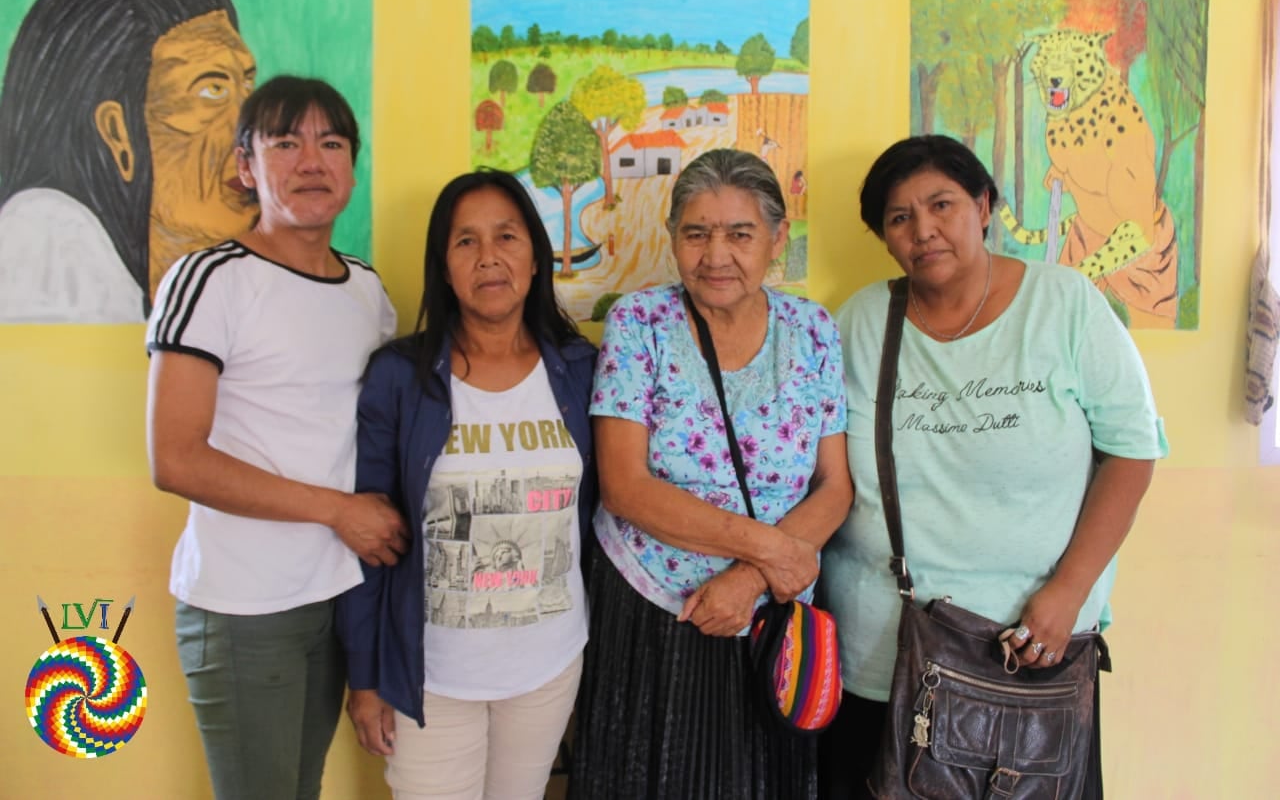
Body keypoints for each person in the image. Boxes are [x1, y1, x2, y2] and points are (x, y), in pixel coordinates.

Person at [818, 134, 1168, 797]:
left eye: (942, 204)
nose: (924, 229)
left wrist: (1069, 590)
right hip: (880, 664)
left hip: (1027, 657)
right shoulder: (861, 323)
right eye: (899, 217)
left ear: (985, 205)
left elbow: (1133, 449)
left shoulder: (1065, 307)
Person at [145, 76, 403, 800]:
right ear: (245, 164)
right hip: (241, 607)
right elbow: (175, 457)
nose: (311, 160)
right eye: (285, 142)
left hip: (334, 599)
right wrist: (337, 510)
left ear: (353, 164)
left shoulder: (366, 291)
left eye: (331, 142)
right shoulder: (210, 278)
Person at [569, 148, 853, 799]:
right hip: (654, 604)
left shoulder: (812, 331)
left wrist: (751, 579)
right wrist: (767, 550)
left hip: (770, 612)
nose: (715, 254)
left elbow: (834, 484)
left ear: (777, 238)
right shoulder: (638, 324)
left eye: (739, 233)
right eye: (696, 233)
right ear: (673, 239)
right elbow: (624, 485)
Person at [337, 169, 597, 800]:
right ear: (444, 267)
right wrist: (364, 675)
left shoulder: (581, 369)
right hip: (431, 676)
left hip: (548, 664)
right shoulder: (399, 378)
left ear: (535, 257)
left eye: (507, 237)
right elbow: (367, 535)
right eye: (465, 242)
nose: (489, 258)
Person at [0, 0, 256, 323]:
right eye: (211, 91)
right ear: (117, 134)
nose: (249, 134)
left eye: (246, 88)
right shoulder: (47, 240)